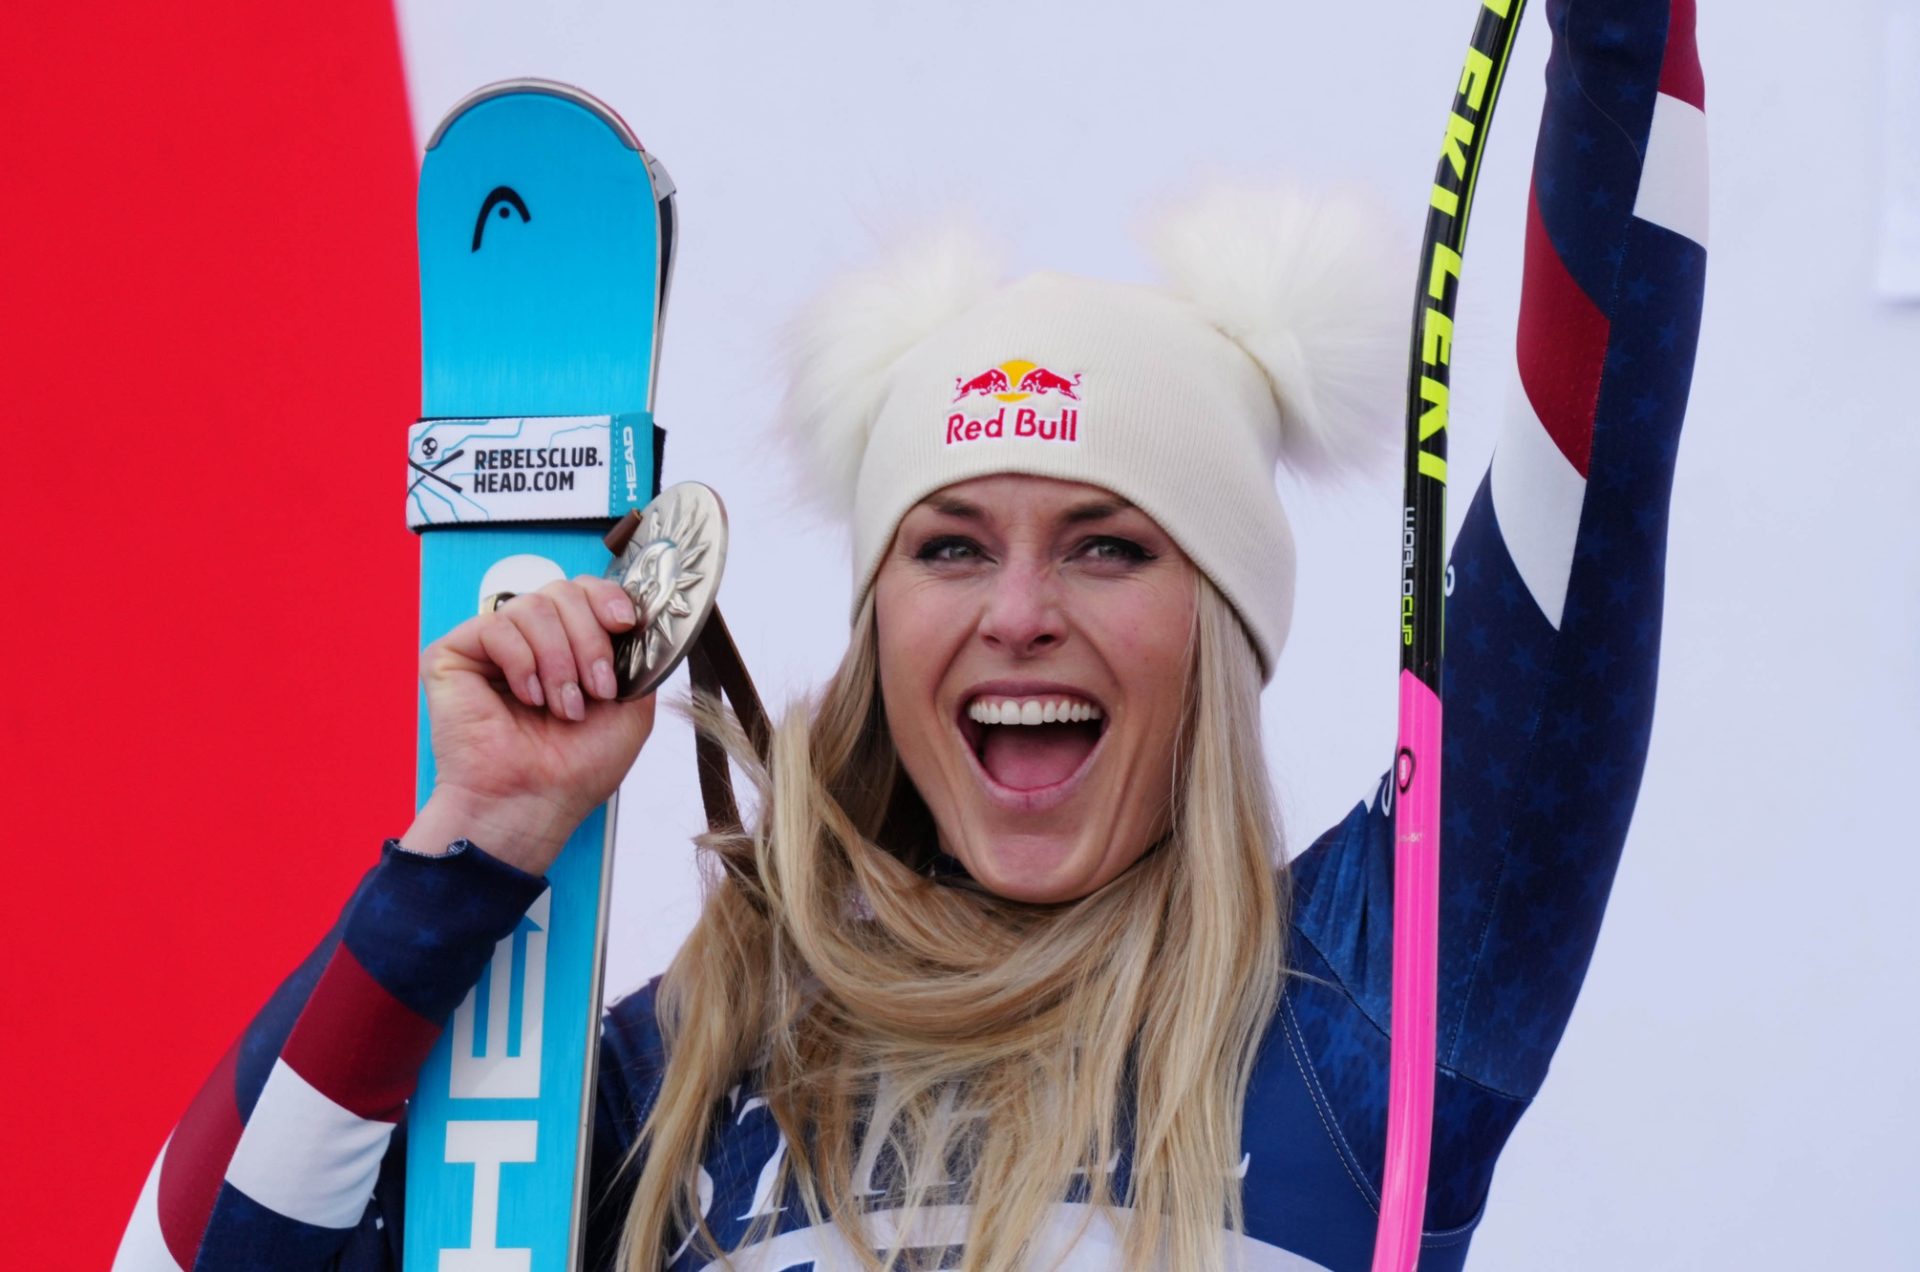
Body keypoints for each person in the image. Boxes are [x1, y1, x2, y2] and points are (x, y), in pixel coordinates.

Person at [116, 2, 1707, 1268]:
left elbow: (1600, 462)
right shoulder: (684, 1069)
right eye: (950, 547)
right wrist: (465, 859)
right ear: (879, 631)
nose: (1021, 613)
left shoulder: (1381, 1002)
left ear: (1219, 632)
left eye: (1108, 545)